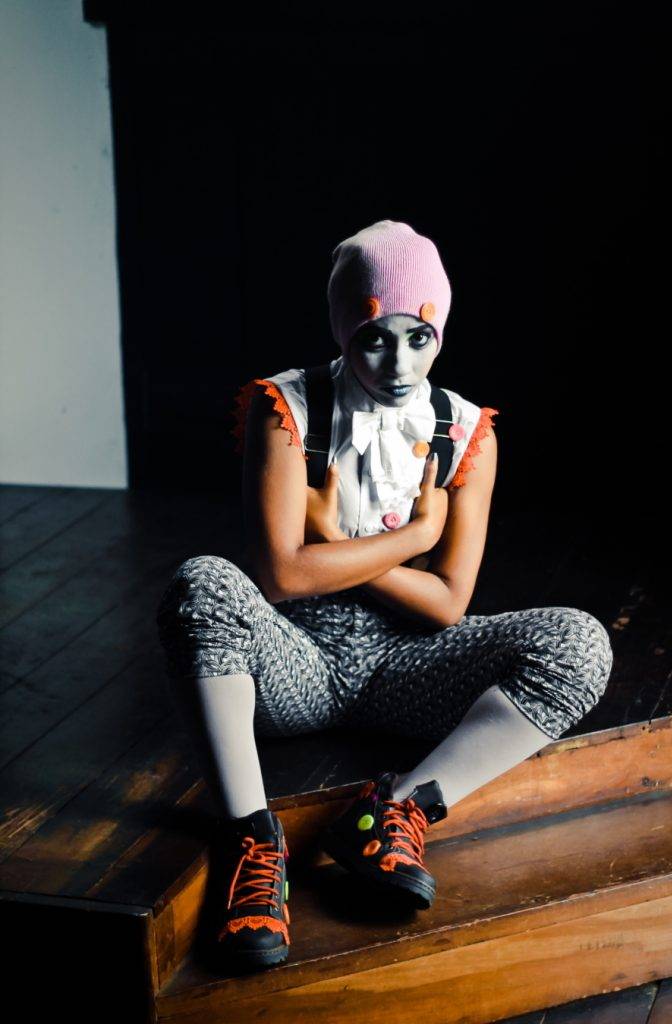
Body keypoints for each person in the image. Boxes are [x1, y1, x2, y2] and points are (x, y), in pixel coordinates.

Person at [155, 219, 614, 973]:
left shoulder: (465, 431)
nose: (399, 363)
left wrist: (336, 539)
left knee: (578, 640)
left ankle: (398, 809)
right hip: (295, 667)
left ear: (439, 334)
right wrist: (412, 539)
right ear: (343, 330)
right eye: (374, 338)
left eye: (419, 338)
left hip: (410, 667)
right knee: (203, 581)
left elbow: (447, 604)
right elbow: (281, 576)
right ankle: (250, 840)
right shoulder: (287, 407)